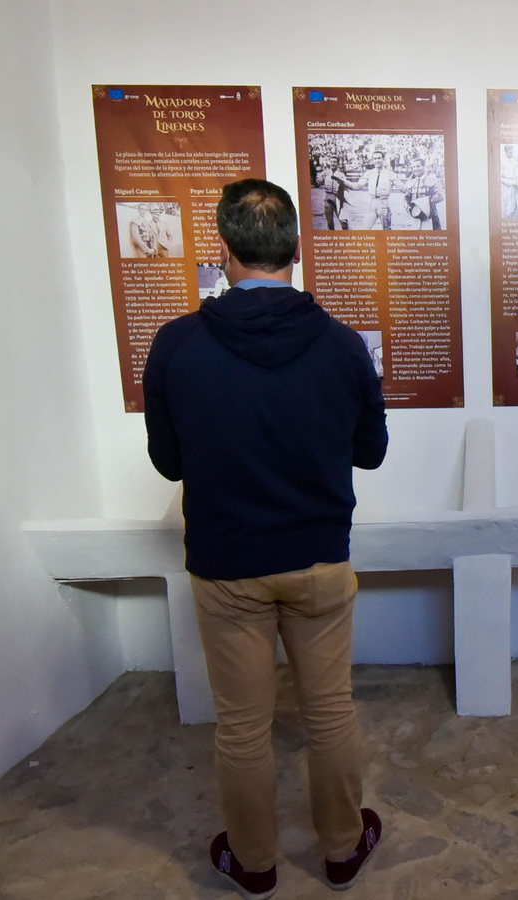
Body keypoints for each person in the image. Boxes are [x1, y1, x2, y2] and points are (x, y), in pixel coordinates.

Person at [143, 178, 388, 898]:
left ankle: (252, 863)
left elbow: (169, 462)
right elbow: (371, 452)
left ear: (223, 250)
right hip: (318, 558)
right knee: (330, 711)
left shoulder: (178, 344)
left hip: (227, 564)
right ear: (296, 249)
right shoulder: (342, 345)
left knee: (243, 727)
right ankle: (342, 849)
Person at [500, 145, 518, 218]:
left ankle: (510, 220)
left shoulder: (514, 160)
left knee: (513, 205)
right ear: (505, 152)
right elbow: (499, 177)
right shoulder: (501, 161)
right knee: (505, 204)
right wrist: (508, 182)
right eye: (510, 152)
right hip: (506, 186)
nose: (512, 154)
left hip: (514, 185)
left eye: (512, 152)